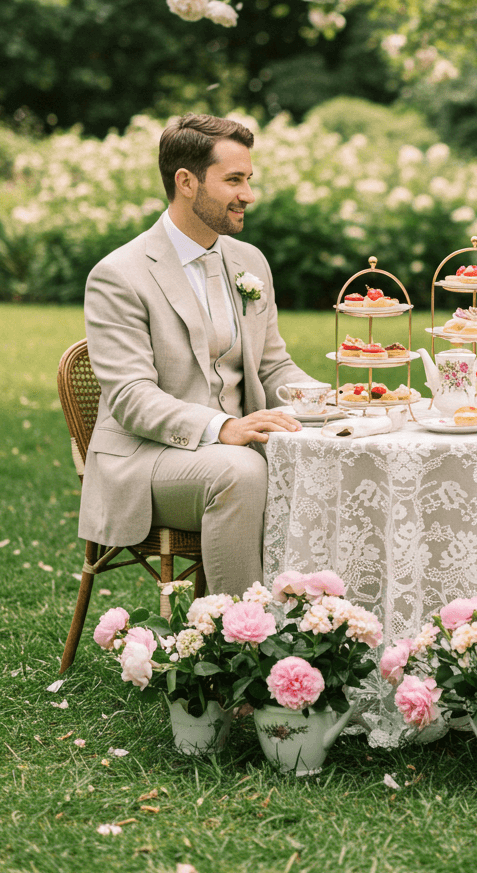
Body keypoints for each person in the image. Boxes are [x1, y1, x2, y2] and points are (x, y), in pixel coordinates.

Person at [79, 113, 308, 597]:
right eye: (234, 180)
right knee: (240, 471)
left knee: (329, 457)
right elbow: (131, 397)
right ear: (186, 181)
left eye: (249, 179)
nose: (248, 194)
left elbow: (274, 366)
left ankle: (318, 627)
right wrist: (224, 429)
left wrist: (335, 402)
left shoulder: (250, 261)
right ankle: (236, 643)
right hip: (147, 460)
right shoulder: (118, 275)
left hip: (233, 444)